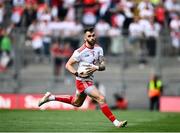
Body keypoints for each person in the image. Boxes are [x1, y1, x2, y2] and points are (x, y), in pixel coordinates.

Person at [38, 27, 127, 128]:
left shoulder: (99, 49)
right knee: (101, 98)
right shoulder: (79, 52)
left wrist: (96, 68)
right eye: (89, 36)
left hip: (89, 80)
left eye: (93, 35)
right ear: (85, 38)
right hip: (82, 80)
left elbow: (103, 66)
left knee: (77, 103)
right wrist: (77, 74)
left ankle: (50, 97)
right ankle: (116, 123)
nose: (92, 37)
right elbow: (68, 65)